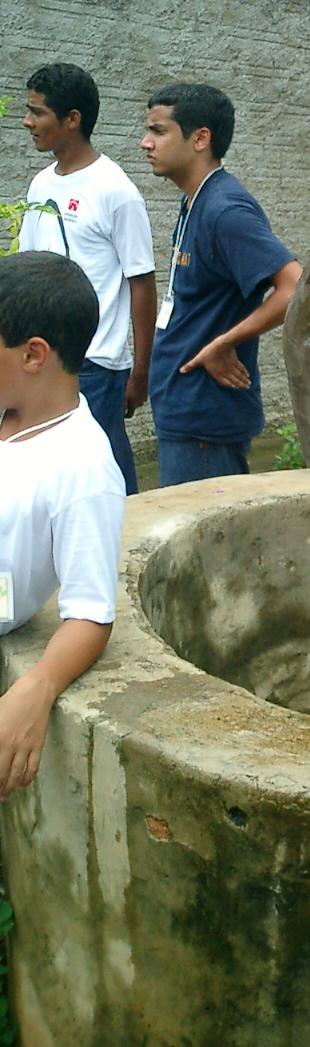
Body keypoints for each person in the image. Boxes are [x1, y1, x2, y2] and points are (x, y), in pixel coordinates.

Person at [0, 251, 124, 799]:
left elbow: (90, 613)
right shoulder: (8, 409)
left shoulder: (82, 470)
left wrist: (38, 686)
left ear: (33, 355)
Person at [141, 83, 302, 487]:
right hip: (185, 413)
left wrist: (223, 343)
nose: (146, 143)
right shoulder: (195, 200)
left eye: (158, 131)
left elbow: (294, 287)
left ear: (200, 139)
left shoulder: (225, 209)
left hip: (205, 423)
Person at [19, 63, 156, 495]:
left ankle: (129, 529)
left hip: (95, 363)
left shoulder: (115, 191)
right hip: (42, 357)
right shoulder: (40, 185)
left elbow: (141, 283)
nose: (27, 122)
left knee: (101, 470)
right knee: (52, 473)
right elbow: (28, 270)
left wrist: (141, 370)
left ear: (72, 119)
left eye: (37, 112)